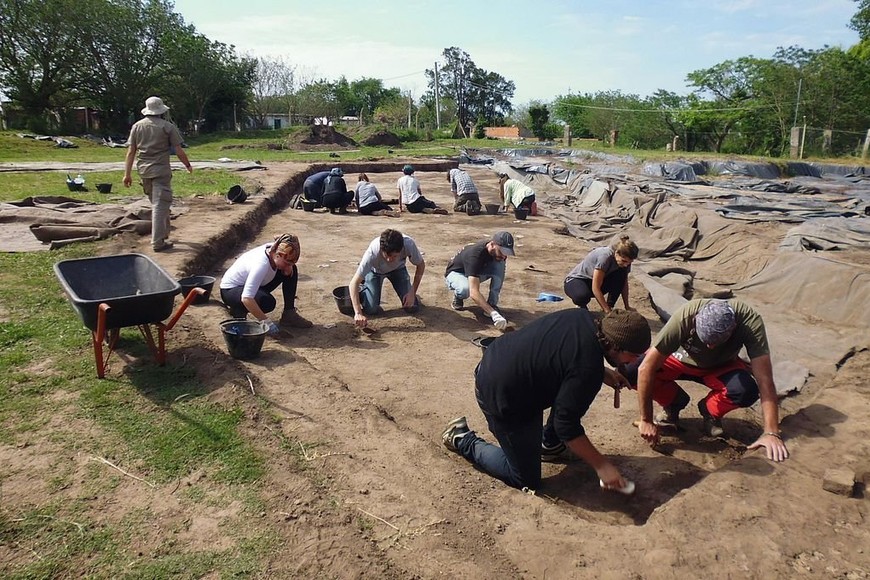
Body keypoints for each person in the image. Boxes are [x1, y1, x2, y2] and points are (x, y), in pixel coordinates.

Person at [441, 309, 651, 492]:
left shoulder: (583, 317)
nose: (634, 361)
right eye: (633, 356)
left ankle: (550, 445)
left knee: (571, 396)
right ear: (615, 348)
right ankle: (462, 438)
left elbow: (563, 355)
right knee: (526, 479)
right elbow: (567, 426)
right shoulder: (587, 370)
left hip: (502, 362)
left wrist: (603, 372)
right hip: (500, 393)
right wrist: (603, 467)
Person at [632, 298, 789, 462]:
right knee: (630, 372)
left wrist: (771, 432)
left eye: (716, 342)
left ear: (734, 327)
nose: (710, 347)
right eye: (705, 341)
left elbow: (765, 379)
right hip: (678, 360)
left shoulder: (750, 322)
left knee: (746, 391)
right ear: (695, 320)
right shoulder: (684, 317)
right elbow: (645, 368)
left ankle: (709, 410)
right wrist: (646, 420)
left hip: (721, 366)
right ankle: (673, 402)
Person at [123, 96, 193, 252]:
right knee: (160, 206)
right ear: (161, 110)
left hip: (144, 171)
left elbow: (131, 152)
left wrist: (127, 174)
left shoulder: (137, 126)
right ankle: (157, 242)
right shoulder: (167, 127)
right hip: (161, 170)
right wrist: (187, 165)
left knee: (159, 203)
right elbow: (179, 150)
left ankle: (165, 233)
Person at [219, 233, 314, 333]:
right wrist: (266, 323)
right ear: (278, 255)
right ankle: (239, 311)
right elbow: (247, 298)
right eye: (286, 263)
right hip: (231, 290)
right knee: (267, 302)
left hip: (251, 284)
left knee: (292, 271)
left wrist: (289, 266)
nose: (287, 266)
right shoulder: (261, 264)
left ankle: (289, 314)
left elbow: (286, 263)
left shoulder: (275, 248)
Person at [348, 229, 426, 328]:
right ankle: (363, 289)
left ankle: (408, 292)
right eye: (386, 255)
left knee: (412, 307)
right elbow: (353, 283)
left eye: (394, 256)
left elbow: (421, 265)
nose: (389, 260)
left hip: (398, 269)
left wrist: (412, 292)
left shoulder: (408, 244)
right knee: (371, 310)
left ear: (401, 250)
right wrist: (358, 312)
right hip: (375, 272)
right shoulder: (372, 253)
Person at [444, 231, 515, 330]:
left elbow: (499, 260)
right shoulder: (475, 256)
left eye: (507, 253)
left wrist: (491, 309)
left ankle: (492, 304)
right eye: (502, 251)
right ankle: (458, 296)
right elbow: (474, 292)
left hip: (476, 270)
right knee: (466, 290)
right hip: (456, 273)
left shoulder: (496, 253)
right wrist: (493, 314)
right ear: (492, 244)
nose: (504, 256)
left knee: (500, 264)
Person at [564, 236, 639, 312]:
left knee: (621, 274)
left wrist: (627, 306)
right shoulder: (605, 257)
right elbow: (595, 287)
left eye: (629, 262)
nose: (626, 264)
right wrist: (607, 310)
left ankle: (610, 305)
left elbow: (623, 283)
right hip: (577, 280)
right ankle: (582, 307)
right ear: (616, 253)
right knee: (581, 296)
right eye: (624, 261)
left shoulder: (624, 262)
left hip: (596, 281)